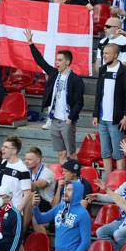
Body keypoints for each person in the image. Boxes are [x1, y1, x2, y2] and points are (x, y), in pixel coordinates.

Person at [24, 29, 83, 162]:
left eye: (60, 60)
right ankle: (62, 178)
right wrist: (31, 44)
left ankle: (74, 177)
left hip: (67, 120)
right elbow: (40, 61)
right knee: (61, 153)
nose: (57, 62)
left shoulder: (76, 79)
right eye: (56, 60)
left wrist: (70, 118)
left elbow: (79, 102)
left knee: (71, 154)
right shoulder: (54, 73)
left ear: (67, 62)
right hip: (55, 120)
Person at [32, 181, 91, 251]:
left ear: (77, 192)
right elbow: (41, 219)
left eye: (69, 190)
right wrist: (35, 207)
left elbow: (85, 242)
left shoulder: (83, 214)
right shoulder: (60, 207)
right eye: (65, 189)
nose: (65, 192)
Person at [93, 43, 126, 173]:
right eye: (103, 53)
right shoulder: (103, 70)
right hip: (102, 118)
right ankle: (108, 183)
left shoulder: (125, 71)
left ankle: (119, 182)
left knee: (118, 153)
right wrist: (95, 114)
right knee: (105, 153)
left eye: (107, 53)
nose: (104, 56)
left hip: (116, 119)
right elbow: (98, 94)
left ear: (116, 55)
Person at [22, 147, 56, 232]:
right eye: (25, 159)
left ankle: (22, 230)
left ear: (38, 160)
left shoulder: (47, 172)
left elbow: (35, 186)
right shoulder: (26, 171)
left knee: (31, 195)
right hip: (31, 202)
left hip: (46, 204)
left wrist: (18, 181)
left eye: (29, 159)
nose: (26, 161)